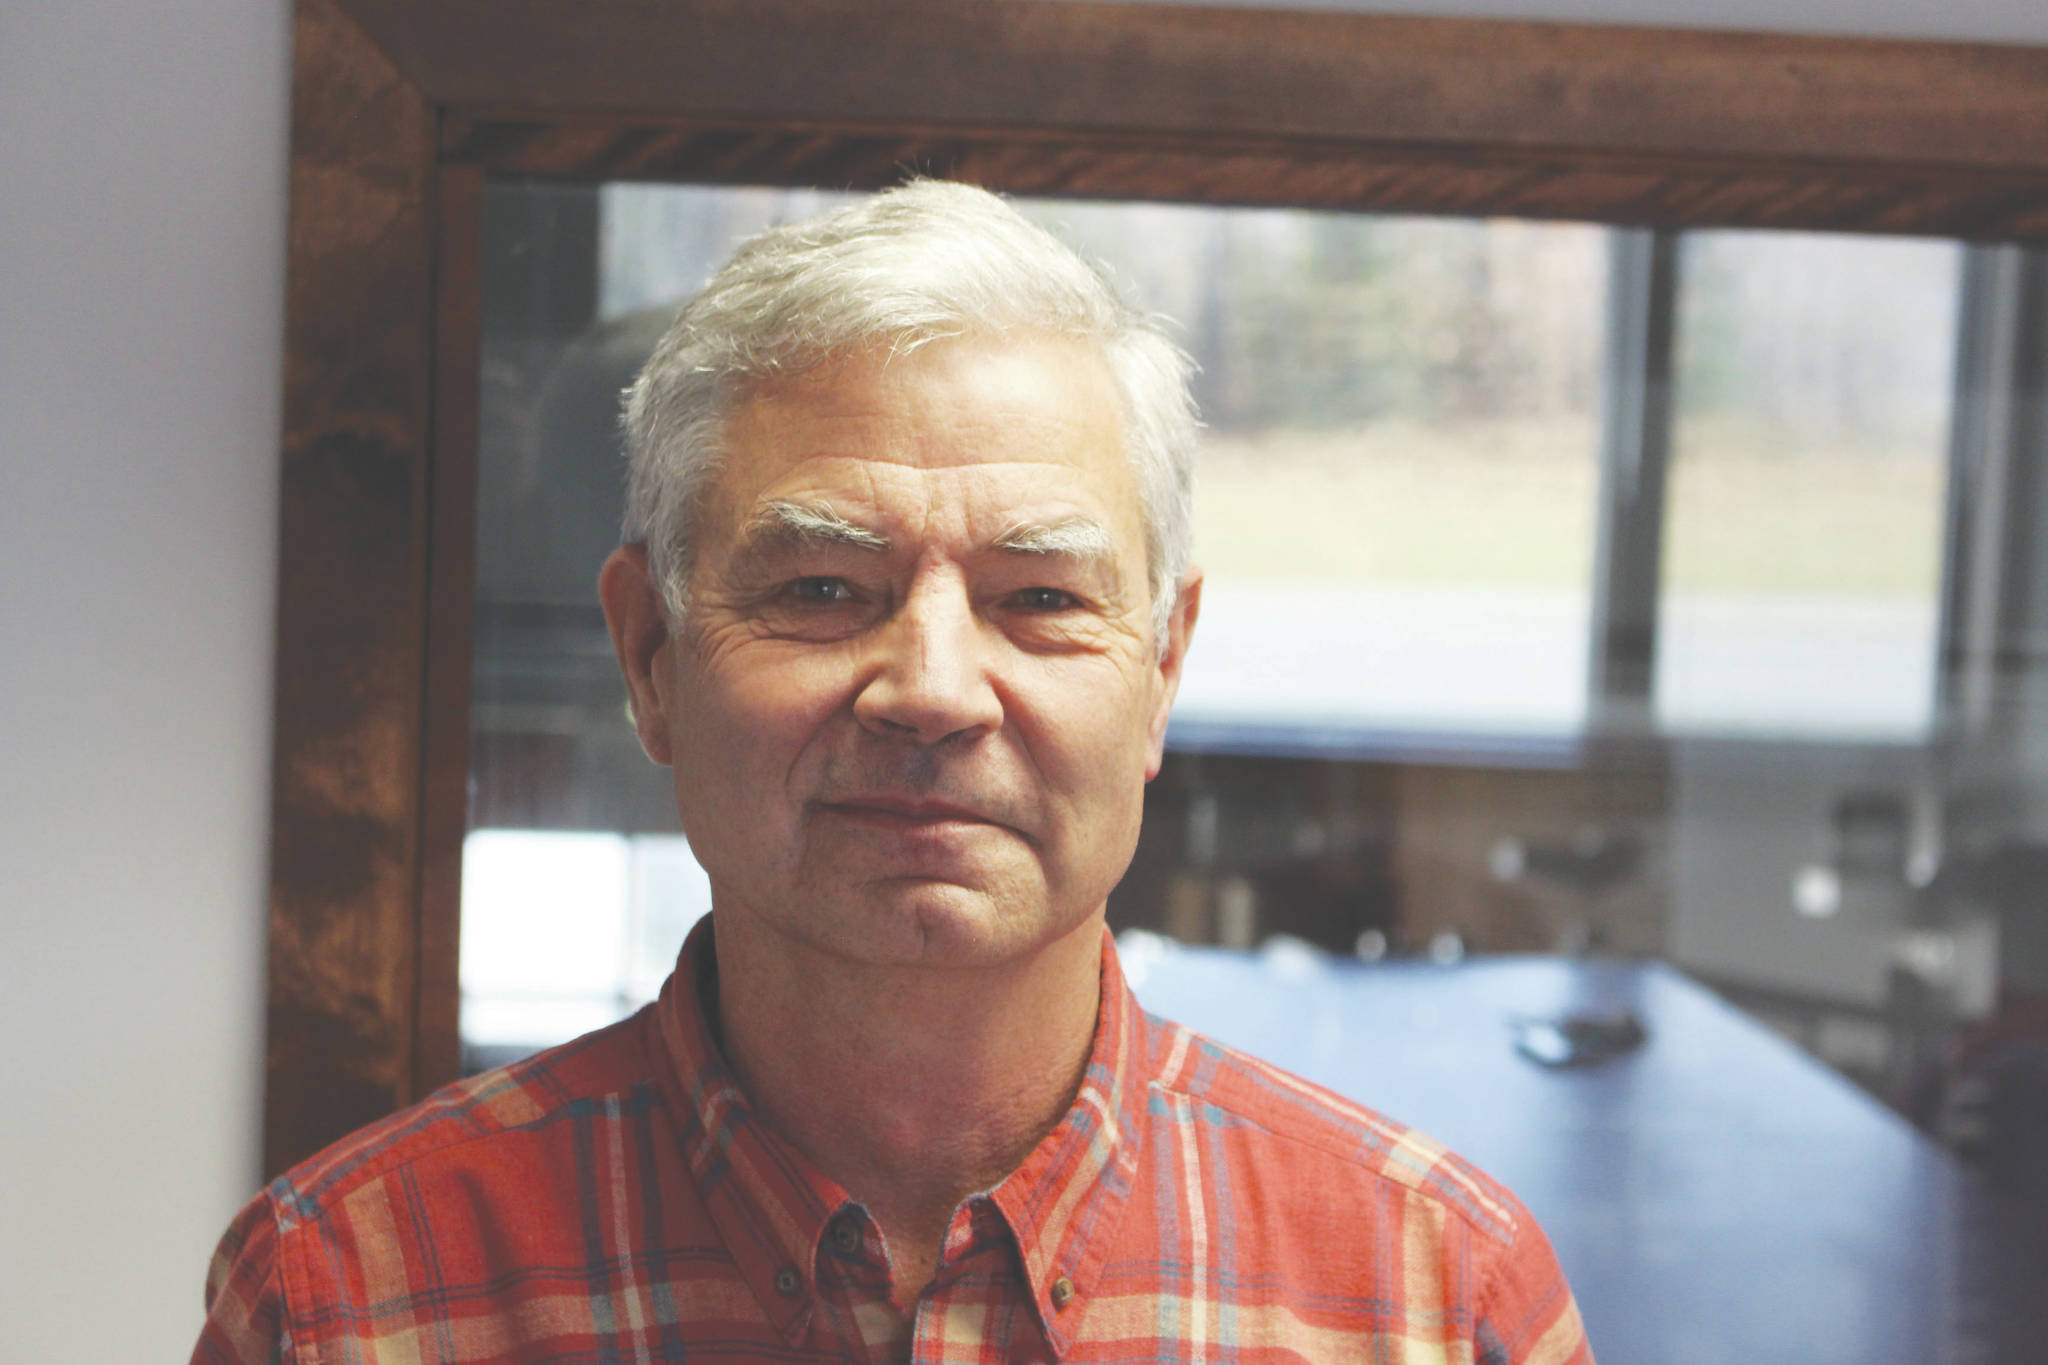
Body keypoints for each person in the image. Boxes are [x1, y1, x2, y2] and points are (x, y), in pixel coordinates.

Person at [193, 180, 1592, 1364]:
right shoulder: (350, 1302)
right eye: (819, 585)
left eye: (1039, 597)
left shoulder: (1435, 1300)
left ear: (1163, 667)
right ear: (651, 654)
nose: (931, 689)